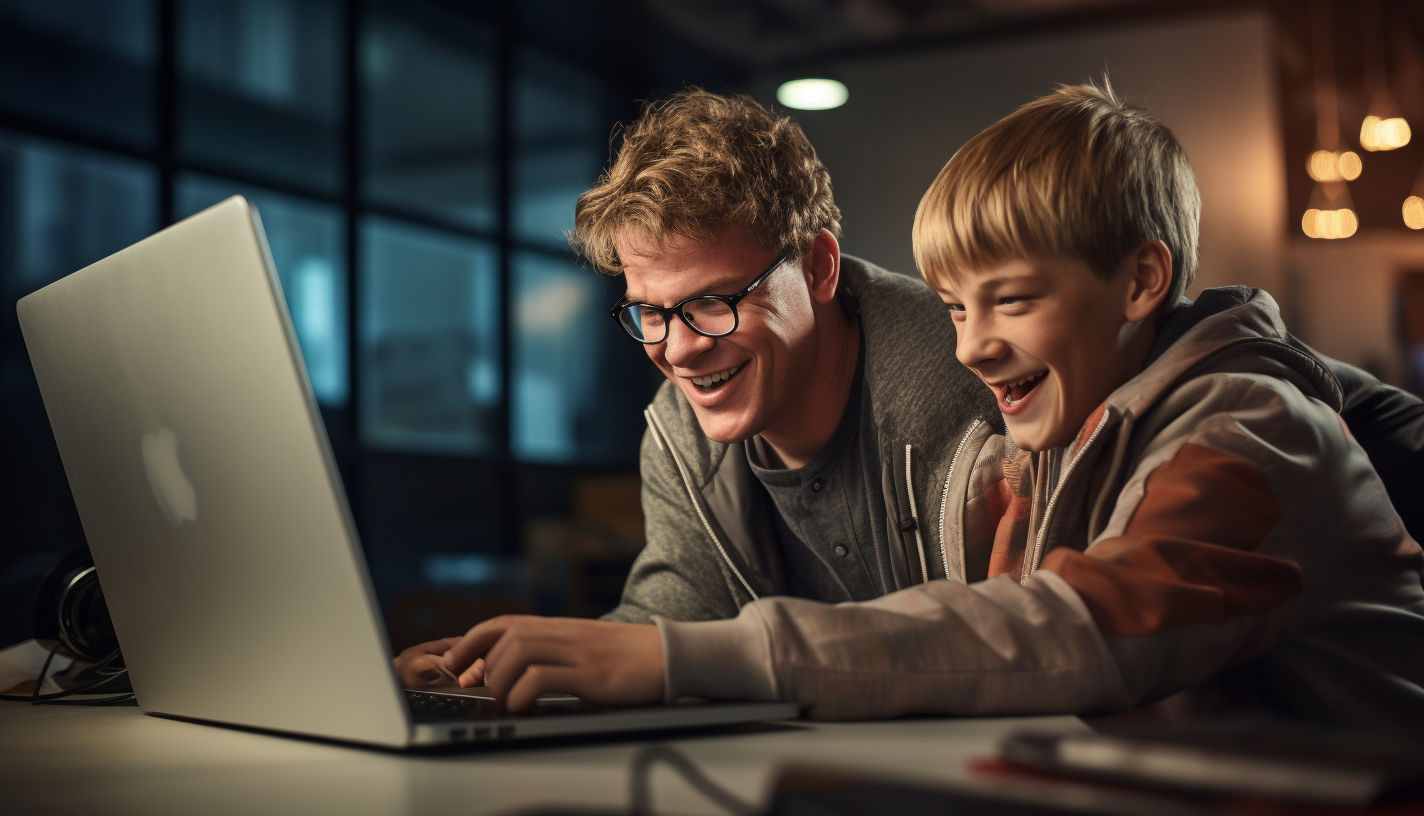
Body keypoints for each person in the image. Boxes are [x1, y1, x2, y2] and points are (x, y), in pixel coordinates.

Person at [399, 84, 1424, 727]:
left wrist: (683, 658)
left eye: (1009, 301)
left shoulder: (1247, 429)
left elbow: (1063, 634)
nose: (970, 344)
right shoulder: (1059, 428)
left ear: (1141, 283)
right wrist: (535, 674)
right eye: (951, 306)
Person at [393, 88, 998, 706]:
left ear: (818, 267)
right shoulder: (679, 428)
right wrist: (504, 674)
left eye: (715, 302)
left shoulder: (978, 380)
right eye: (650, 312)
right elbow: (677, 623)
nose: (678, 352)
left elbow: (1031, 639)